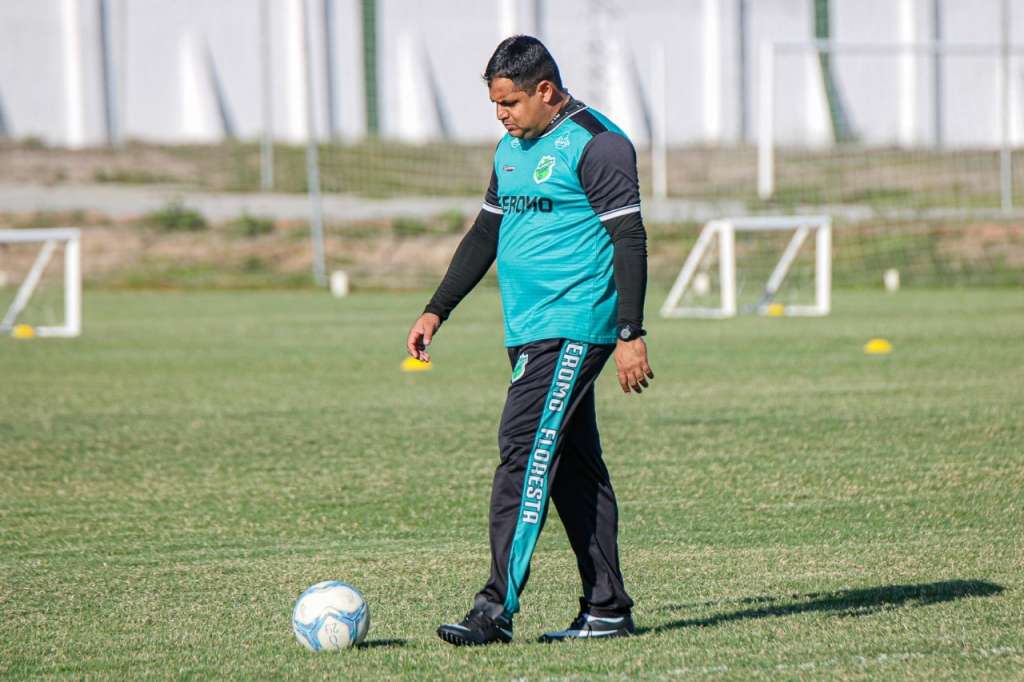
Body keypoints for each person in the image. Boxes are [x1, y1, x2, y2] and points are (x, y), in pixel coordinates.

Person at [406, 35, 653, 646]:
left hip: (573, 327)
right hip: (526, 328)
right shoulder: (510, 148)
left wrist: (629, 333)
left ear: (545, 90)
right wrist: (437, 310)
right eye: (495, 104)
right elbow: (485, 233)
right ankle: (607, 609)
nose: (502, 115)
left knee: (522, 450)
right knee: (572, 467)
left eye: (510, 102)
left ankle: (494, 608)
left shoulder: (600, 144)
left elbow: (630, 240)